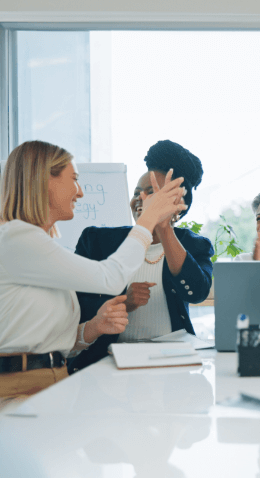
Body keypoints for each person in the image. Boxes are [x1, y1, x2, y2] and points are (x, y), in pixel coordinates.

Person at [0, 140, 186, 404]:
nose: (80, 192)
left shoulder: (37, 246)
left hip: (53, 380)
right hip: (19, 388)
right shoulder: (17, 239)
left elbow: (47, 340)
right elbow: (111, 278)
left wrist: (94, 327)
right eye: (74, 179)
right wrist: (150, 217)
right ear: (44, 181)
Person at [71, 140, 214, 373]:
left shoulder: (195, 246)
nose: (140, 198)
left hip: (172, 364)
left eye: (152, 193)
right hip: (108, 364)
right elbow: (77, 304)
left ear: (178, 203)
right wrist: (124, 303)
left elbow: (196, 292)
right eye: (137, 192)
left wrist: (164, 227)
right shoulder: (96, 241)